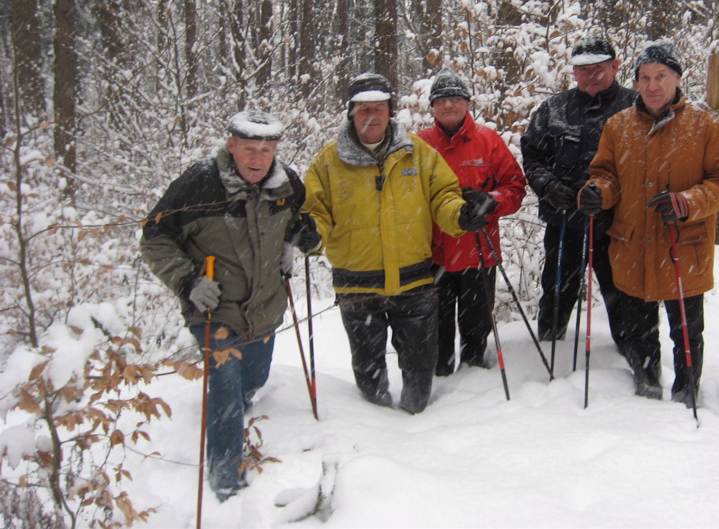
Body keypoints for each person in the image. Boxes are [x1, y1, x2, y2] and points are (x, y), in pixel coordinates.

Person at [301, 73, 492, 414]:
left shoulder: (419, 154)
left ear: (390, 111)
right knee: (369, 379)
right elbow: (317, 213)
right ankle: (378, 439)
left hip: (414, 282)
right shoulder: (328, 162)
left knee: (420, 375)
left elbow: (443, 196)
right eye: (363, 109)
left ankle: (416, 431)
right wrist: (310, 233)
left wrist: (461, 216)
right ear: (350, 113)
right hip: (357, 286)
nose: (371, 116)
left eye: (378, 108)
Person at [141, 110, 306, 501]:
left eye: (266, 150)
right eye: (249, 148)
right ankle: (225, 479)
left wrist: (294, 242)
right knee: (226, 386)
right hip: (214, 308)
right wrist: (187, 280)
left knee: (253, 379)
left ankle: (243, 401)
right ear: (231, 145)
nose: (257, 158)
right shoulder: (198, 185)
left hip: (265, 305)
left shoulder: (286, 184)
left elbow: (303, 222)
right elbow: (154, 237)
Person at [578, 40, 719, 406]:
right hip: (632, 246)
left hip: (682, 250)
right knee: (639, 331)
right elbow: (606, 175)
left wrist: (687, 202)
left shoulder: (704, 126)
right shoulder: (618, 126)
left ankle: (687, 394)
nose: (653, 85)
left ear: (677, 79)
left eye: (661, 76)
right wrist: (596, 192)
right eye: (646, 77)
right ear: (636, 82)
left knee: (686, 334)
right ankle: (646, 387)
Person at [520, 36, 642, 344]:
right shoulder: (553, 109)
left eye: (598, 69)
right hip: (564, 221)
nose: (591, 76)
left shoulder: (635, 108)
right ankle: (550, 343)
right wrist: (548, 185)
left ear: (615, 67)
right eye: (583, 70)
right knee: (558, 286)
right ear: (573, 72)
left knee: (621, 288)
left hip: (617, 223)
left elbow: (648, 165)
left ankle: (630, 350)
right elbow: (533, 155)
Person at [418, 69, 526, 376]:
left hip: (478, 255)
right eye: (441, 100)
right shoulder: (420, 145)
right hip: (433, 256)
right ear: (433, 107)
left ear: (467, 104)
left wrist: (492, 200)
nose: (448, 105)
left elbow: (515, 188)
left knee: (476, 331)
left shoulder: (488, 141)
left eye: (455, 99)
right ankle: (440, 384)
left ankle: (475, 385)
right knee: (435, 333)